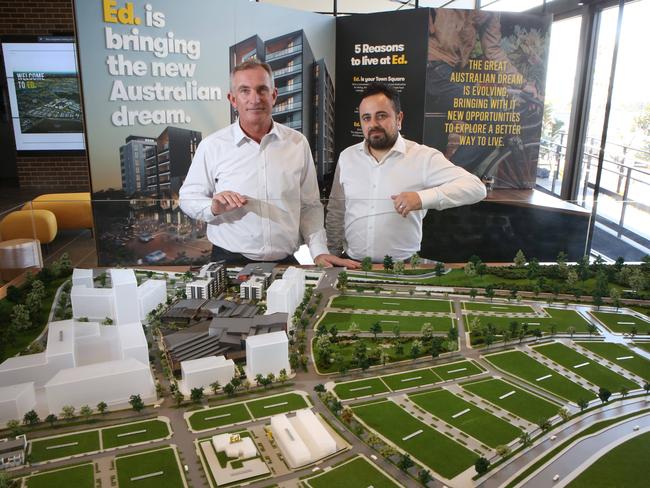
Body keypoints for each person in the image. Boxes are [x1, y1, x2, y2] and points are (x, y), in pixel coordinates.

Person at [179, 60, 357, 268]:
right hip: (228, 261)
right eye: (244, 91)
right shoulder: (212, 146)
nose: (254, 99)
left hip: (286, 261)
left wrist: (318, 252)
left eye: (262, 89)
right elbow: (187, 198)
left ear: (273, 96)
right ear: (233, 99)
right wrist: (213, 207)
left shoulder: (297, 143)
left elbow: (310, 206)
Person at [326, 83, 486, 263]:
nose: (373, 124)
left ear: (399, 118)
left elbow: (476, 188)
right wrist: (332, 254)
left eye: (381, 116)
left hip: (404, 266)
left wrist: (422, 198)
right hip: (352, 263)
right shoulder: (347, 157)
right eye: (366, 118)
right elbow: (337, 210)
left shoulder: (423, 157)